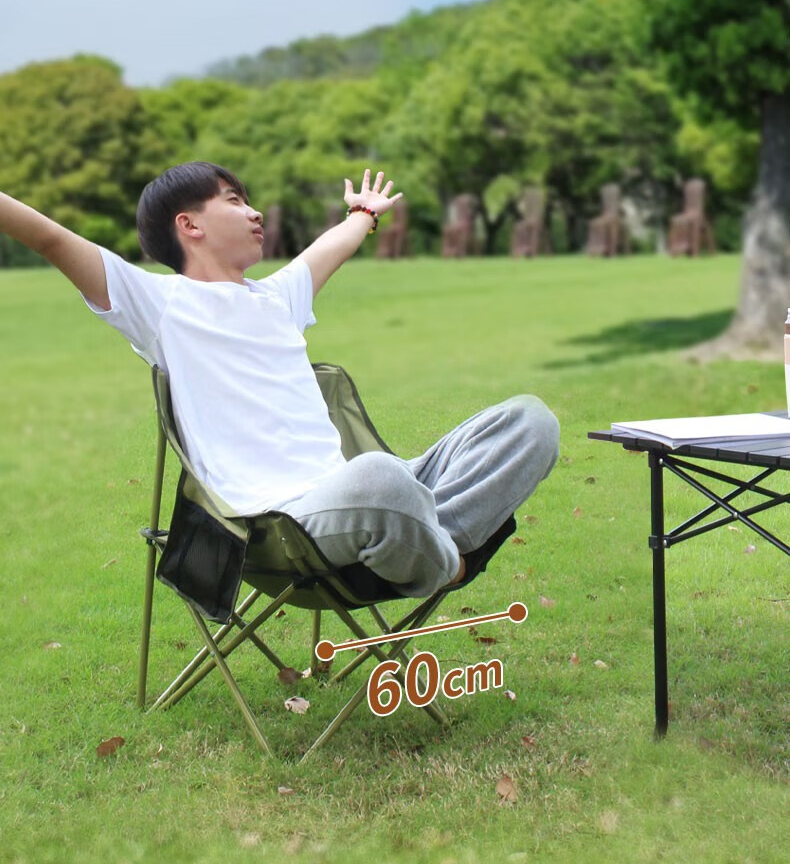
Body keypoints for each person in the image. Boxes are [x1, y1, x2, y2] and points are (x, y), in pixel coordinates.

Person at [0, 163, 559, 597]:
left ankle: (428, 541)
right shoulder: (159, 303)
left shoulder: (276, 297)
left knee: (528, 422)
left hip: (346, 492)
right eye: (234, 200)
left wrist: (364, 215)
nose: (254, 213)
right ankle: (448, 562)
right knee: (383, 479)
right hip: (280, 524)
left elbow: (332, 246)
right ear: (189, 224)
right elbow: (51, 239)